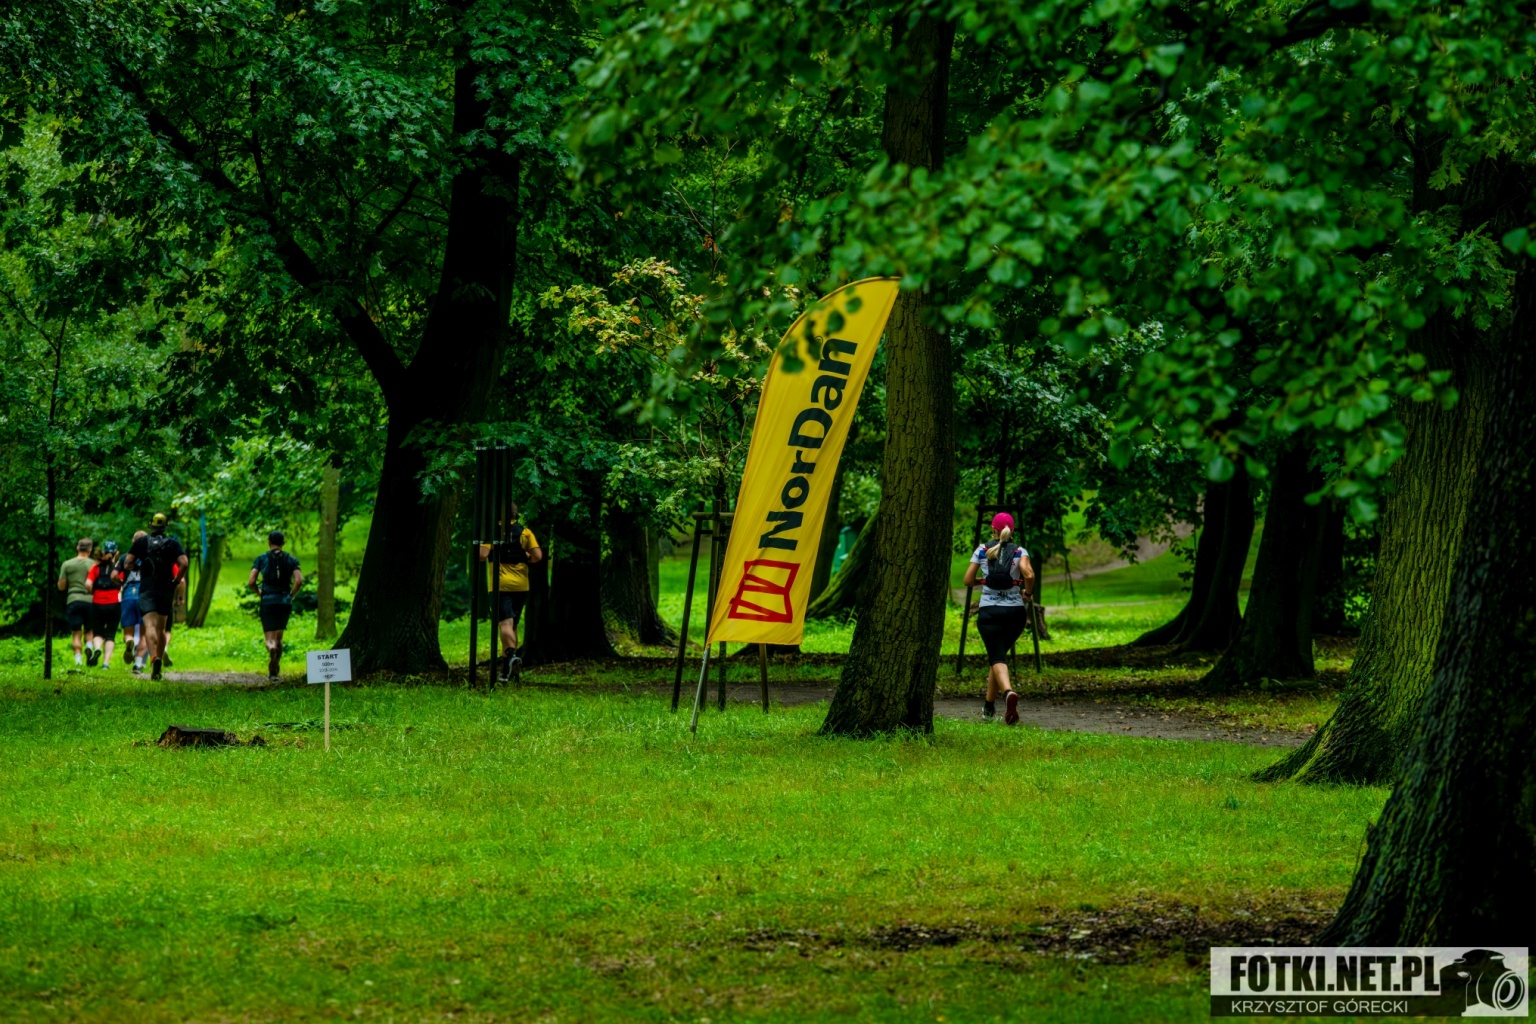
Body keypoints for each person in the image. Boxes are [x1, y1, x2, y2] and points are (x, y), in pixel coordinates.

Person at [962, 513, 1035, 724]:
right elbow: (1029, 575)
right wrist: (1028, 593)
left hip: (990, 612)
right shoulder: (1020, 551)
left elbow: (967, 580)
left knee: (997, 657)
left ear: (993, 529)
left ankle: (1008, 693)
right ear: (1012, 531)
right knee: (998, 657)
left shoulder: (982, 550)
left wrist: (982, 580)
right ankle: (989, 708)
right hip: (1015, 614)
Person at [477, 504, 543, 681]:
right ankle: (507, 670)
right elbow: (537, 556)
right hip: (521, 585)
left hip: (500, 586)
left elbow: (482, 555)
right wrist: (525, 557)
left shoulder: (493, 533)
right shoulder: (525, 533)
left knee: (505, 624)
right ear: (515, 514)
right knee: (512, 626)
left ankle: (512, 655)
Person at [124, 513, 188, 680]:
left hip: (147, 588)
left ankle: (154, 659)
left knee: (150, 626)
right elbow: (184, 563)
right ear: (166, 526)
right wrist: (176, 581)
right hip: (166, 588)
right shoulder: (173, 543)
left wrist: (139, 568)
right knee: (161, 628)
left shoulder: (141, 542)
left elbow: (127, 563)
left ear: (150, 525)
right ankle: (159, 659)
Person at [248, 531, 303, 681]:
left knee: (270, 639)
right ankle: (274, 670)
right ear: (283, 543)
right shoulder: (291, 559)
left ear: (269, 542)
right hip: (283, 601)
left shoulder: (261, 558)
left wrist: (259, 592)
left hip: (267, 601)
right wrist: (290, 595)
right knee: (279, 637)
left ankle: (271, 648)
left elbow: (251, 581)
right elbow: (299, 580)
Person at [57, 538, 96, 668]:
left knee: (76, 633)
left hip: (73, 600)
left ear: (77, 548)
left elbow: (61, 586)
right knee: (89, 630)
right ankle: (89, 648)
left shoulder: (67, 564)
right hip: (90, 600)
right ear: (90, 550)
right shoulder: (94, 565)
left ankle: (78, 661)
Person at [86, 541, 122, 669]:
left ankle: (97, 649)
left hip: (97, 604)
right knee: (110, 635)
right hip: (114, 604)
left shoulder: (95, 568)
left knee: (98, 633)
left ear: (103, 552)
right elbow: (122, 584)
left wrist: (93, 592)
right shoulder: (118, 569)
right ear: (116, 553)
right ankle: (105, 664)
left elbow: (88, 584)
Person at [118, 531, 148, 672]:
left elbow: (113, 575)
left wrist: (122, 584)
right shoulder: (149, 558)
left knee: (128, 632)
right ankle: (138, 664)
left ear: (132, 542)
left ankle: (129, 640)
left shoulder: (124, 557)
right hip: (145, 597)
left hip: (128, 596)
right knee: (144, 634)